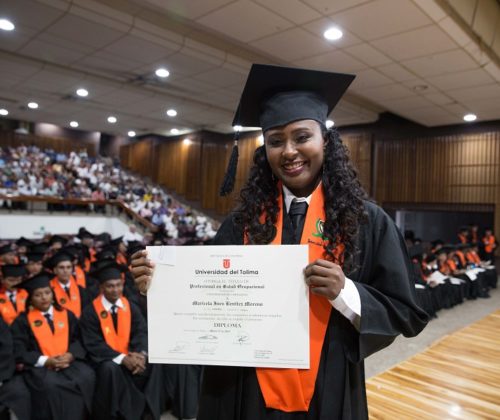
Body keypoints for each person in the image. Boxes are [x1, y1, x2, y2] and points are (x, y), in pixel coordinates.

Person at [131, 64, 428, 419]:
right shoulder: (240, 224)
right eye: (275, 141)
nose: (289, 151)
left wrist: (345, 292)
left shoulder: (365, 221)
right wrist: (161, 287)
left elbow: (407, 312)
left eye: (302, 137)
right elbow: (208, 300)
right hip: (244, 389)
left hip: (326, 387)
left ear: (326, 141)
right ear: (264, 150)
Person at [79, 262, 165, 420]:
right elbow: (93, 343)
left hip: (132, 355)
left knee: (155, 361)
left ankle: (149, 410)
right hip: (105, 358)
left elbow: (141, 331)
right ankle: (118, 414)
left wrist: (140, 354)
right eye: (110, 286)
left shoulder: (130, 306)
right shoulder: (90, 312)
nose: (116, 290)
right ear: (102, 287)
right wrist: (122, 358)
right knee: (109, 368)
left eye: (119, 285)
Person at [11, 273, 95, 420]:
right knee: (51, 386)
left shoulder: (66, 314)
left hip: (69, 361)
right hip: (41, 367)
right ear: (31, 298)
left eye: (47, 293)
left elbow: (79, 339)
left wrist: (70, 355)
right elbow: (19, 350)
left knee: (86, 376)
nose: (44, 297)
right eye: (38, 295)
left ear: (53, 294)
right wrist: (46, 361)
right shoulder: (22, 321)